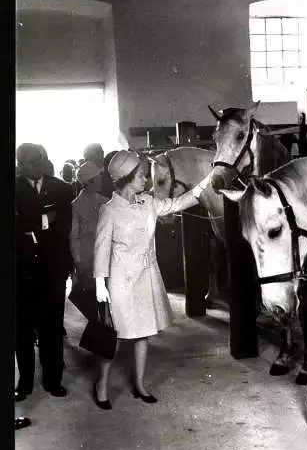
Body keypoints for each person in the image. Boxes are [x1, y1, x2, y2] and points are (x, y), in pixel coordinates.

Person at [92, 150, 211, 409]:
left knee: (143, 333)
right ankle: (102, 384)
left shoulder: (149, 203)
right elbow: (101, 248)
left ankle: (140, 384)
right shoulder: (109, 210)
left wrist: (209, 180)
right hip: (120, 283)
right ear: (125, 178)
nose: (146, 181)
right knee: (115, 335)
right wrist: (100, 282)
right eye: (142, 176)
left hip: (147, 278)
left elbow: (181, 202)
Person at [16, 143, 72, 400]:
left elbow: (65, 228)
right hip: (21, 271)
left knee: (52, 325)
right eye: (29, 161)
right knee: (22, 328)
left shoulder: (62, 188)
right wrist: (43, 222)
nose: (35, 165)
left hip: (52, 270)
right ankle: (24, 383)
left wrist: (27, 225)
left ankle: (53, 380)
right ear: (20, 164)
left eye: (39, 160)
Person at [70, 162, 108, 296]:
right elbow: (74, 236)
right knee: (90, 295)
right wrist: (78, 260)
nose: (101, 180)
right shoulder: (75, 206)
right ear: (91, 181)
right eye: (99, 178)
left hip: (106, 253)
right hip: (87, 257)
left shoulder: (105, 201)